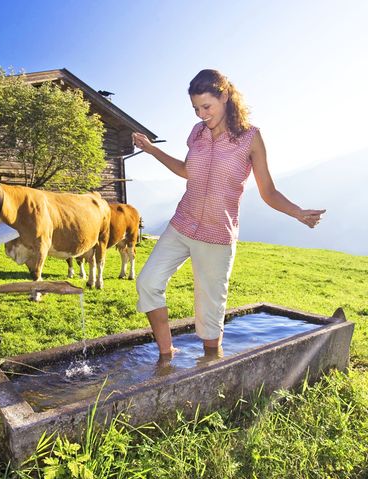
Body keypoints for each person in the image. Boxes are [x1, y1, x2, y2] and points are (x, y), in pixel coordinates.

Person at [133, 69, 325, 361]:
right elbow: (187, 171)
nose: (201, 115)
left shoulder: (250, 138)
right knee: (148, 282)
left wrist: (297, 212)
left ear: (224, 96)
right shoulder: (196, 133)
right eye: (196, 109)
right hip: (182, 224)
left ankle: (211, 367)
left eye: (206, 107)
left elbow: (268, 191)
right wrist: (151, 151)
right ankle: (166, 354)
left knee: (209, 315)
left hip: (216, 235)